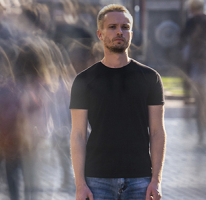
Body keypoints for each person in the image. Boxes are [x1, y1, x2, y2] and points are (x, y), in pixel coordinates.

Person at [70, 4, 166, 200]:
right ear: (100, 33)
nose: (119, 32)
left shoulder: (150, 78)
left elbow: (157, 132)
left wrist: (156, 180)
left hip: (140, 179)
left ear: (131, 32)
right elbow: (78, 134)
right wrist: (80, 185)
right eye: (112, 27)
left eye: (125, 27)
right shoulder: (84, 80)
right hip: (97, 179)